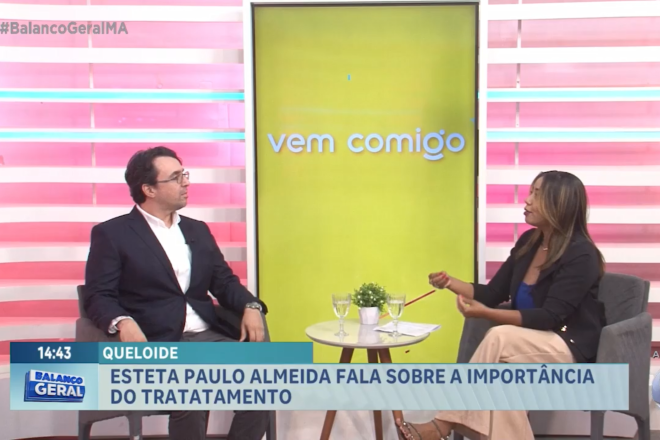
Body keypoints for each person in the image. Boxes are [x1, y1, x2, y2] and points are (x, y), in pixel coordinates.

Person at [397, 170, 607, 440]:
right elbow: (492, 293)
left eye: (537, 194)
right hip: (526, 343)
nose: (527, 200)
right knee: (504, 382)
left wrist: (488, 314)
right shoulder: (529, 243)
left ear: (559, 203)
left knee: (499, 336)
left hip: (566, 344)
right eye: (530, 192)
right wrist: (450, 283)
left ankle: (443, 424)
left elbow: (550, 317)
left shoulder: (581, 254)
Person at [84, 146, 270, 440]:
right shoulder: (113, 234)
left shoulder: (197, 230)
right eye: (176, 177)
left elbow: (224, 282)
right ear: (149, 189)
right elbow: (98, 295)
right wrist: (122, 322)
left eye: (185, 174)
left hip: (207, 338)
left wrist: (251, 305)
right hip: (157, 341)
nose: (186, 182)